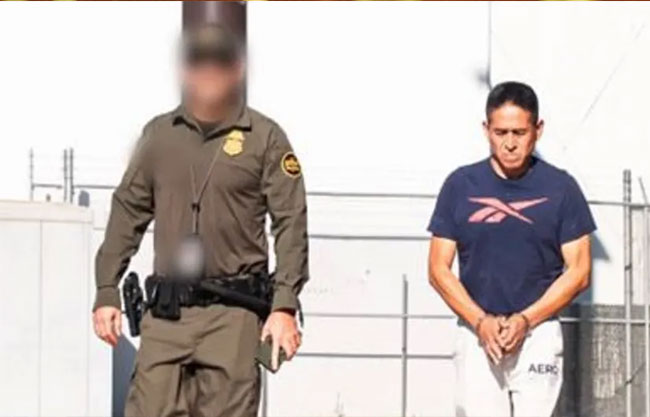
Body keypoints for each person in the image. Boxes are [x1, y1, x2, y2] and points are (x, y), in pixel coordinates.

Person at [91, 24, 308, 417]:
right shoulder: (159, 136)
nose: (209, 72)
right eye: (198, 62)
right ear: (184, 70)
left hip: (233, 316)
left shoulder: (264, 138)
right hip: (166, 316)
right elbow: (127, 211)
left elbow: (291, 222)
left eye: (220, 62)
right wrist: (107, 288)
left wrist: (284, 306)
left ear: (238, 69)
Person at [427, 81, 595, 417]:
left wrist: (526, 320)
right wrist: (480, 321)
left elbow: (579, 271)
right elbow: (437, 269)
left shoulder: (561, 188)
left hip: (537, 334)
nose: (510, 143)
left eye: (519, 132)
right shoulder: (460, 185)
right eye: (500, 132)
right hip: (478, 335)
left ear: (538, 130)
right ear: (486, 129)